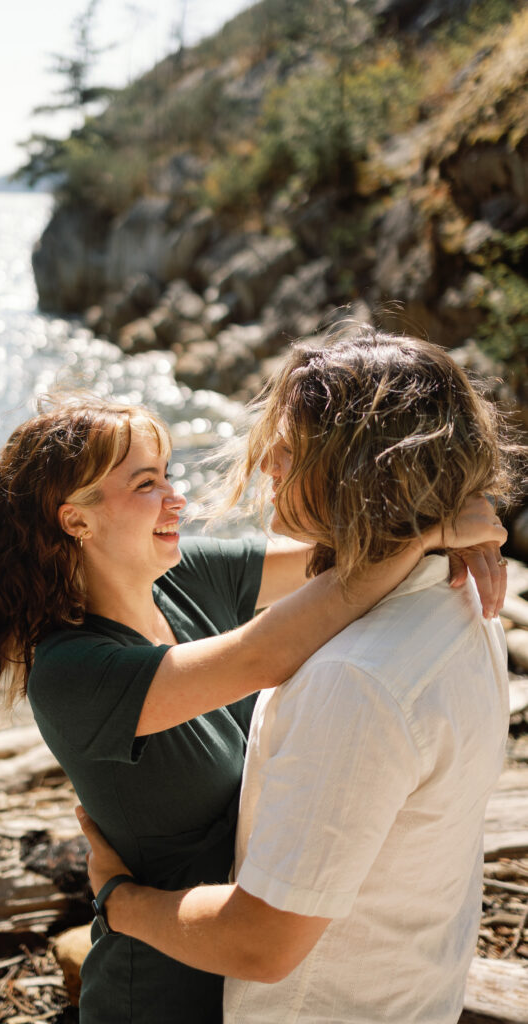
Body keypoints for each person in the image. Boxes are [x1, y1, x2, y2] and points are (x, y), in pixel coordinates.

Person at [0, 388, 505, 1024]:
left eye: (169, 475)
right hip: (161, 987)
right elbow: (267, 652)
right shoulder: (71, 671)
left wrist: (453, 515)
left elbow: (346, 553)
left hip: (252, 970)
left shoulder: (184, 574)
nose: (178, 498)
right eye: (147, 484)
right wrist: (434, 529)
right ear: (76, 520)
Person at [77, 328, 523, 1024]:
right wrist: (429, 525)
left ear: (358, 468)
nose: (266, 468)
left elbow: (261, 943)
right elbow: (271, 637)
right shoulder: (462, 599)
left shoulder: (357, 682)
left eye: (287, 451)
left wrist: (117, 899)